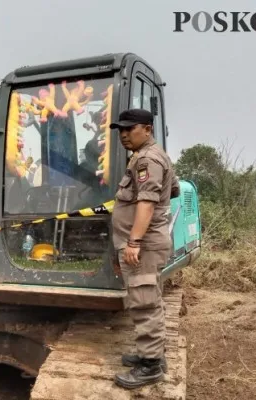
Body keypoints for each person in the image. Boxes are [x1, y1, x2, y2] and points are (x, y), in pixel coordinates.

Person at [109, 109, 180, 389]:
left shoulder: (147, 159)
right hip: (149, 242)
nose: (124, 134)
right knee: (150, 298)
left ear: (147, 129)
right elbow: (172, 189)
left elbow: (147, 203)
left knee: (144, 302)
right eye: (120, 130)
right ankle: (153, 356)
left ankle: (150, 366)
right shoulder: (152, 156)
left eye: (130, 129)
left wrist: (134, 241)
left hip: (144, 245)